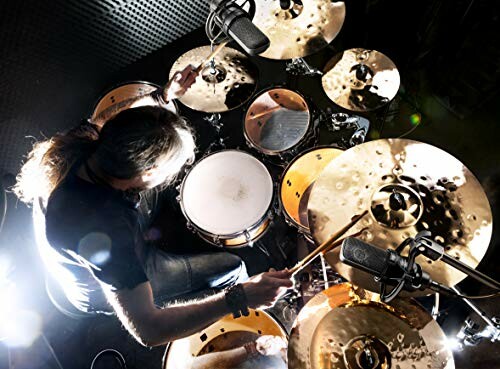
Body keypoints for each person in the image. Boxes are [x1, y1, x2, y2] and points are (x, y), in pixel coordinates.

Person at [13, 65, 293, 347]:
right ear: (147, 172)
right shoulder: (107, 232)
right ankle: (251, 317)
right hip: (100, 281)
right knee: (231, 268)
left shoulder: (88, 142)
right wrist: (240, 297)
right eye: (165, 170)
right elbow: (149, 330)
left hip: (89, 230)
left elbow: (112, 117)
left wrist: (164, 95)